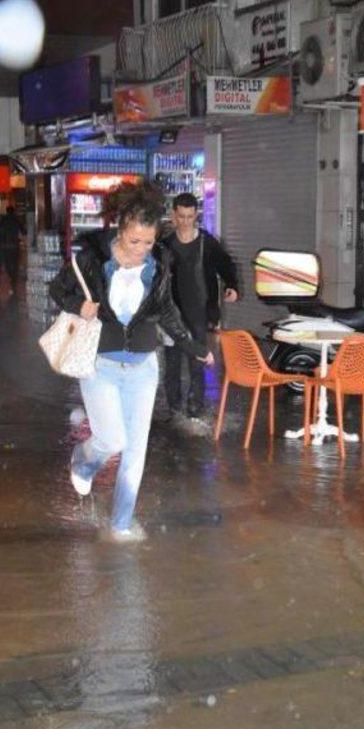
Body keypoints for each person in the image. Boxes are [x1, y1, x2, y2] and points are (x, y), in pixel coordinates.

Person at [49, 184, 213, 542]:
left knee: (135, 450)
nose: (141, 251)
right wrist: (80, 306)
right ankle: (84, 460)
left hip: (143, 367)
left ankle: (121, 524)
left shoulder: (159, 265)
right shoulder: (92, 257)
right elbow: (57, 289)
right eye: (133, 242)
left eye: (148, 243)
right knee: (111, 439)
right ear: (120, 229)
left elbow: (166, 309)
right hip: (101, 365)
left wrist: (191, 345)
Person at [162, 192, 239, 418]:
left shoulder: (207, 243)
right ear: (174, 216)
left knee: (197, 362)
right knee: (172, 364)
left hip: (199, 313)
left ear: (196, 215)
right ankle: (174, 409)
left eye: (190, 216)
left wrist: (232, 286)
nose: (186, 221)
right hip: (172, 315)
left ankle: (195, 409)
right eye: (181, 216)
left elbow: (226, 264)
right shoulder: (165, 245)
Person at [0, 206, 25, 290]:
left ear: (6, 211)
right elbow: (23, 231)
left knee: (7, 262)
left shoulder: (3, 220)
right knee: (15, 262)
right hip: (14, 245)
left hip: (5, 245)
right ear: (13, 211)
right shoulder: (16, 220)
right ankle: (13, 277)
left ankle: (11, 275)